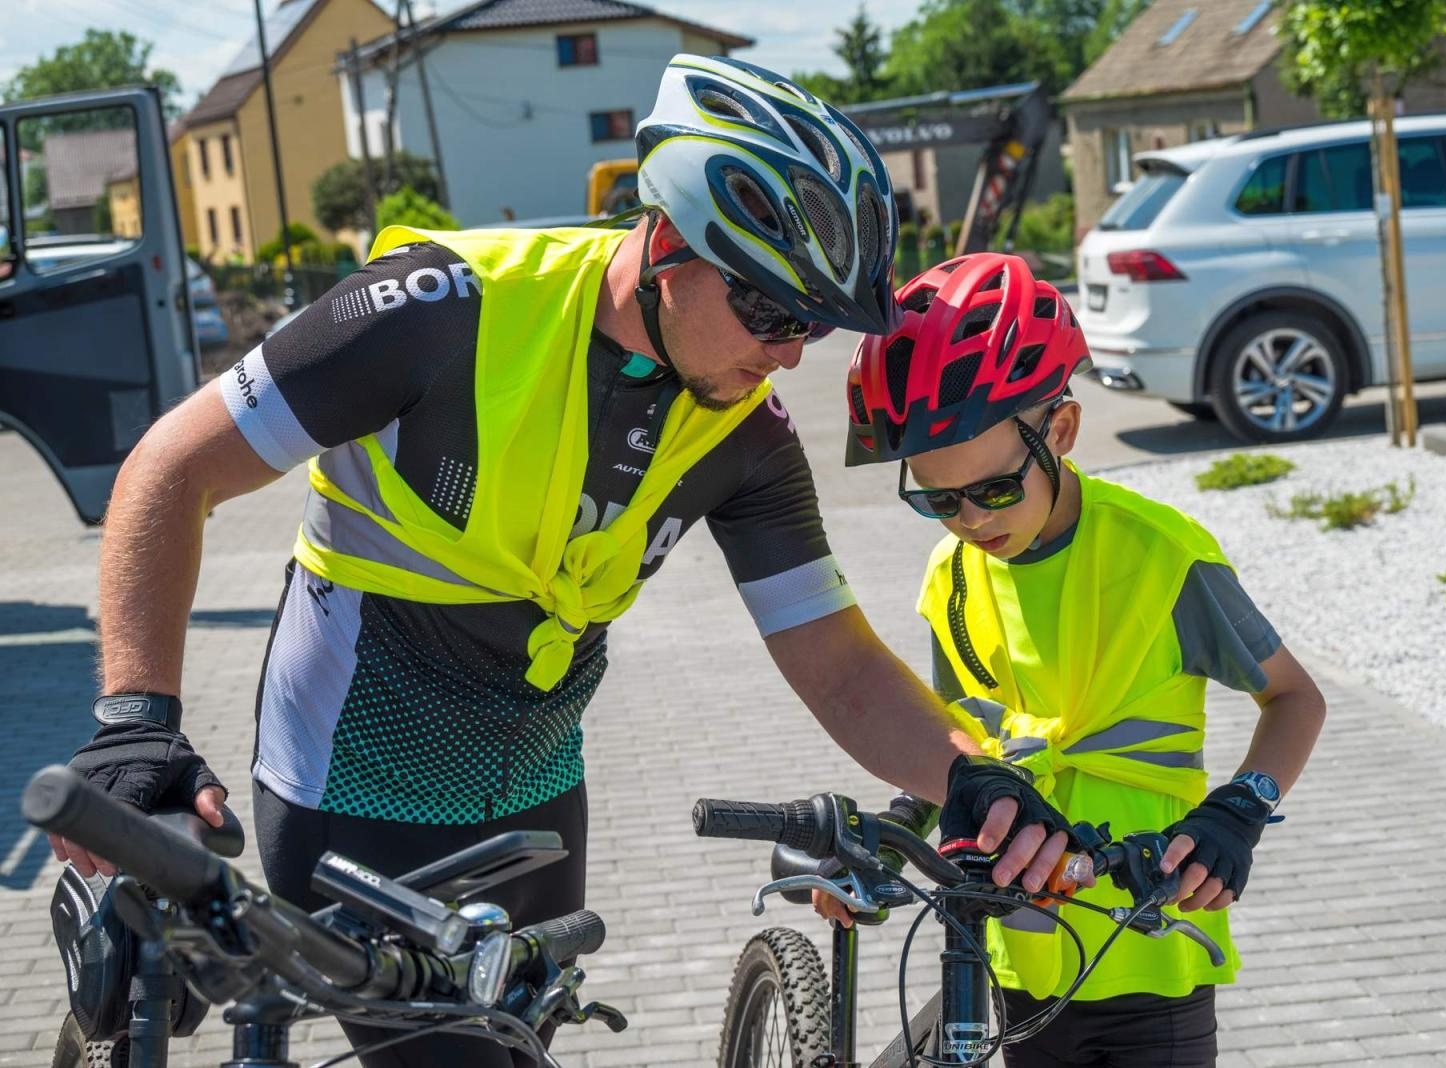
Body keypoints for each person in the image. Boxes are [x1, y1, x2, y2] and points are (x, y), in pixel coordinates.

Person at [47, 57, 1072, 1066]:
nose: (789, 353)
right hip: (357, 795)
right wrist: (137, 723)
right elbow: (172, 470)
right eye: (768, 310)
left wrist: (966, 778)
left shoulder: (747, 440)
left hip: (537, 810)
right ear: (667, 241)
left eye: (810, 323)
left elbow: (839, 665)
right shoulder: (438, 310)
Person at [831, 252, 1327, 1066]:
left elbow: (1295, 700)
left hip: (1150, 944)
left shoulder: (1163, 557)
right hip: (1021, 947)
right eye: (934, 499)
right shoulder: (951, 575)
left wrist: (1243, 808)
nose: (967, 521)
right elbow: (959, 734)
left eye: (991, 490)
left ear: (1058, 432)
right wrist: (898, 821)